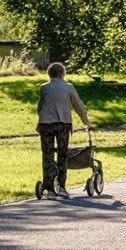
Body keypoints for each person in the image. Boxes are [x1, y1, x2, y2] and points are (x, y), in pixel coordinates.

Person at [37, 62, 92, 198]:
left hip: (46, 124)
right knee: (62, 154)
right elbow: (79, 106)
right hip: (63, 123)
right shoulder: (68, 87)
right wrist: (86, 122)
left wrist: (43, 117)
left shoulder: (44, 87)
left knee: (48, 155)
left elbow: (40, 107)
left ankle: (50, 189)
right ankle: (61, 186)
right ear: (63, 73)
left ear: (49, 73)